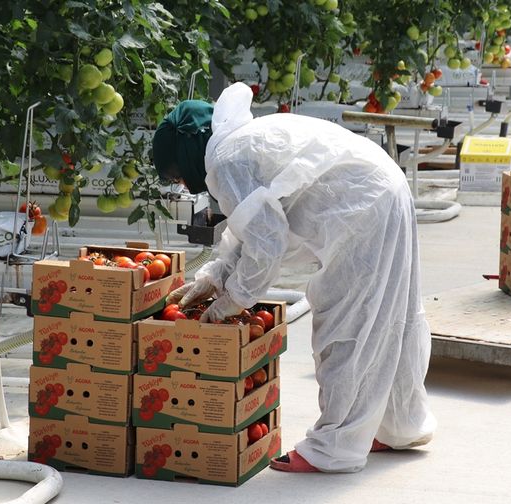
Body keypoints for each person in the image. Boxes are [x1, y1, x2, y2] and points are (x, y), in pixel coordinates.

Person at [152, 82, 436, 473]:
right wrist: (216, 274)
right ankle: (398, 426)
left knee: (347, 323)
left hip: (363, 210)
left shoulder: (225, 163)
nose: (183, 184)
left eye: (176, 176)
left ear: (185, 159)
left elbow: (266, 242)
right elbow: (254, 221)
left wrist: (233, 299)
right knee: (391, 314)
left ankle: (333, 448)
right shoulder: (239, 143)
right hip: (382, 190)